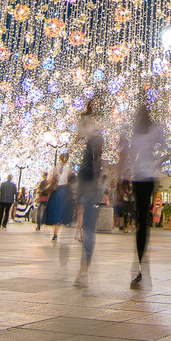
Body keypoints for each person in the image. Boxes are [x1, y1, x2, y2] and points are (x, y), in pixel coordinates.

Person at [119, 103, 165, 288]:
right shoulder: (153, 130)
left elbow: (129, 155)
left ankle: (139, 259)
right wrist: (155, 165)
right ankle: (140, 256)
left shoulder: (137, 134)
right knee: (142, 220)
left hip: (139, 178)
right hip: (145, 178)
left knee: (140, 220)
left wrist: (124, 175)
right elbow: (167, 149)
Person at [74, 99, 103, 289]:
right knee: (89, 228)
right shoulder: (95, 135)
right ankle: (82, 271)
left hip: (89, 184)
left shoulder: (95, 137)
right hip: (87, 183)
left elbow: (97, 161)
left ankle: (84, 271)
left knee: (90, 229)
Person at [44, 153, 72, 241]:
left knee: (55, 211)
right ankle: (55, 232)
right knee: (59, 211)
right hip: (61, 191)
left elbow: (51, 180)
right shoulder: (67, 169)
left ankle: (55, 232)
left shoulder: (57, 168)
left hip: (57, 191)